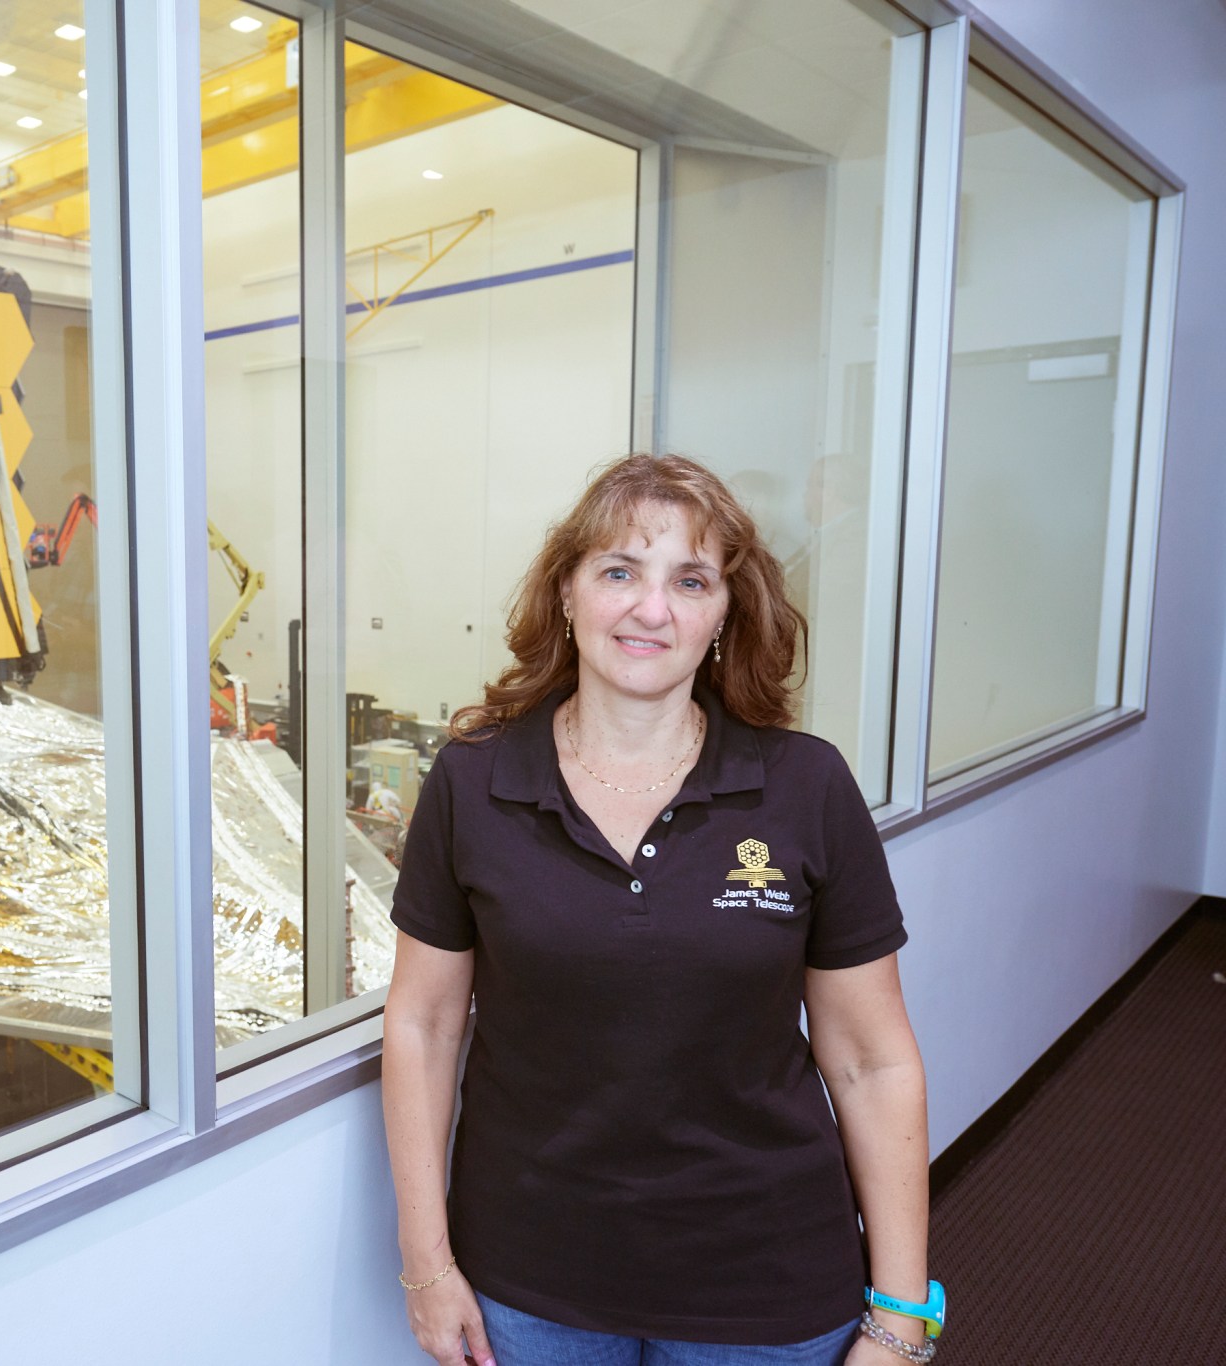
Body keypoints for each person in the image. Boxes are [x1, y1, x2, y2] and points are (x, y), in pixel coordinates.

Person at [382, 455, 938, 1366]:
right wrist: (426, 1261)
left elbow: (873, 1062)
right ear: (566, 592)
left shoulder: (804, 786)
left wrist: (903, 1315)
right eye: (618, 571)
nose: (652, 609)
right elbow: (424, 1022)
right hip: (531, 1281)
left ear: (725, 612)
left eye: (689, 579)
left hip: (766, 1283)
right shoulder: (476, 781)